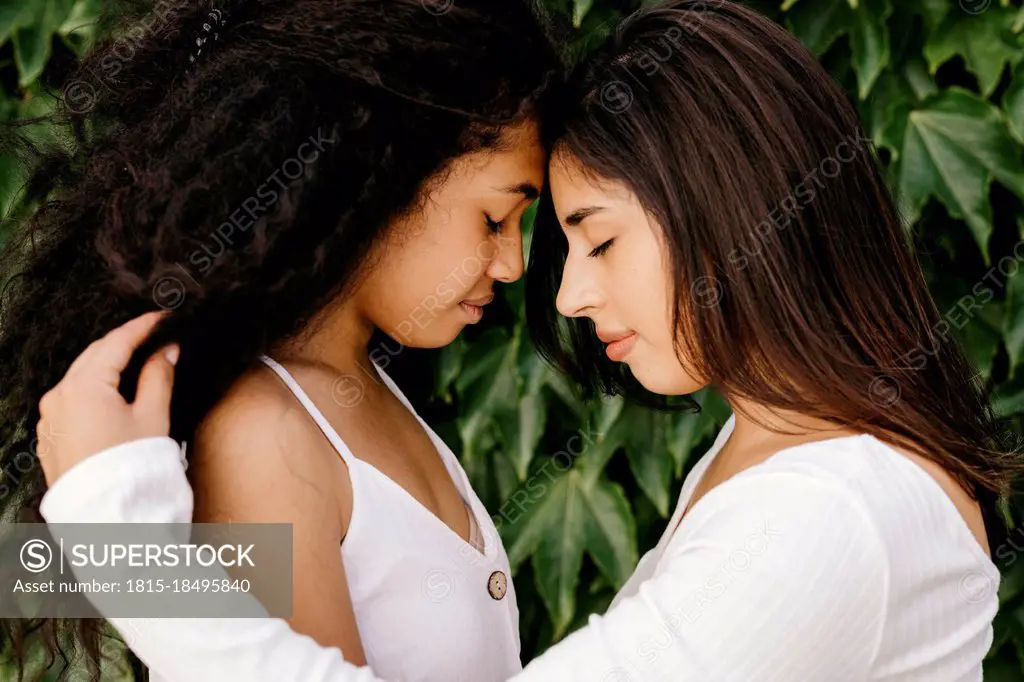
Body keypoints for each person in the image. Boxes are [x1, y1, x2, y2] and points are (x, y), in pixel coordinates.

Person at [36, 1, 1012, 680]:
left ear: (720, 207)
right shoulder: (776, 461)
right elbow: (30, 576)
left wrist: (116, 538)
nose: (559, 290)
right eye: (510, 222)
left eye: (596, 238)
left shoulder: (827, 511)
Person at [0, 0, 562, 680]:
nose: (511, 264)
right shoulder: (264, 433)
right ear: (384, 174)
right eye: (496, 217)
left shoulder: (366, 390)